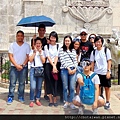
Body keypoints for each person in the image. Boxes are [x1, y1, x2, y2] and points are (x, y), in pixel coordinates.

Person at [7, 30, 30, 104]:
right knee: (12, 83)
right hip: (14, 67)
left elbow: (28, 57)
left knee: (22, 83)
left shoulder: (26, 46)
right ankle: (10, 96)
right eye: (18, 35)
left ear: (23, 37)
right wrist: (16, 65)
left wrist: (23, 65)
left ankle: (21, 96)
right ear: (16, 36)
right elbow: (10, 56)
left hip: (23, 67)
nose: (20, 37)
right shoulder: (12, 45)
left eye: (21, 36)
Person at [90, 36, 112, 110]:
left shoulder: (106, 50)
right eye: (97, 42)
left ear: (102, 42)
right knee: (97, 88)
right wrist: (92, 73)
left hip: (105, 72)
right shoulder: (93, 52)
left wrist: (108, 71)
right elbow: (92, 63)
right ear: (95, 43)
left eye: (99, 42)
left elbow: (109, 61)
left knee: (107, 88)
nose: (98, 43)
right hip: (97, 73)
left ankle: (108, 101)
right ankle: (98, 102)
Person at [59, 35, 78, 109]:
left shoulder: (73, 50)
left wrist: (75, 69)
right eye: (66, 41)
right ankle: (66, 101)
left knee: (72, 87)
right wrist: (68, 69)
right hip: (64, 70)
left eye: (68, 41)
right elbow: (62, 60)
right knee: (65, 87)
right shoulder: (61, 50)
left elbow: (75, 61)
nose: (67, 42)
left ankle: (72, 102)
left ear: (71, 42)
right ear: (64, 41)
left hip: (73, 69)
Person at [31, 24, 48, 101]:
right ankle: (35, 95)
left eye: (43, 30)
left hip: (43, 60)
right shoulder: (35, 39)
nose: (41, 32)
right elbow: (32, 48)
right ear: (38, 31)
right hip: (36, 62)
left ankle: (45, 94)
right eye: (40, 30)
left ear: (45, 31)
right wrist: (33, 40)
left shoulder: (46, 40)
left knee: (44, 80)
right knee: (35, 81)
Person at [44, 31, 60, 107]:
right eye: (51, 37)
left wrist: (55, 65)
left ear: (56, 38)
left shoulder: (58, 46)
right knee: (49, 82)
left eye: (54, 37)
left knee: (56, 82)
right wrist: (53, 65)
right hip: (48, 64)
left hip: (56, 64)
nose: (52, 39)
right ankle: (50, 100)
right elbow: (48, 56)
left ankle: (55, 99)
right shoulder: (46, 46)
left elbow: (57, 56)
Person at [29, 38, 45, 107]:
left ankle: (37, 99)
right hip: (33, 69)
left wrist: (40, 53)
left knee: (39, 86)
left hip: (40, 69)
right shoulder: (32, 51)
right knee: (33, 86)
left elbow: (43, 61)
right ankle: (32, 99)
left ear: (41, 44)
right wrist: (34, 53)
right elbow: (30, 60)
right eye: (37, 43)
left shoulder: (43, 52)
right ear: (35, 44)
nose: (38, 45)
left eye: (39, 43)